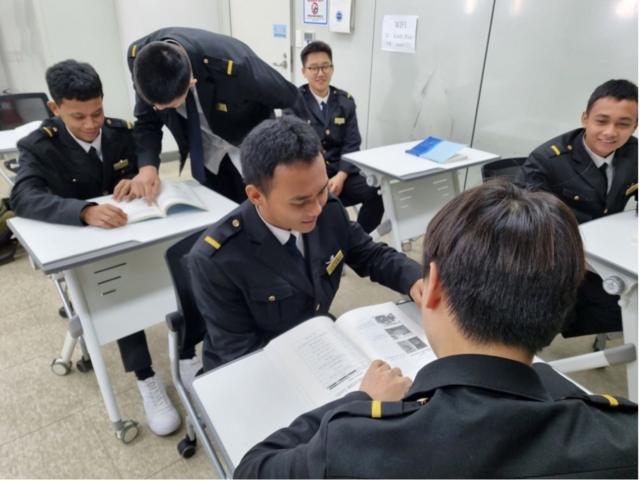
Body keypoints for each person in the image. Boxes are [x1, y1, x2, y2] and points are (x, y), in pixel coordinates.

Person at [233, 179, 638, 479]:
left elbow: (253, 470)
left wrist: (357, 400)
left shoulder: (355, 444)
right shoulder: (623, 436)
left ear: (433, 289)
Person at [9, 60, 201, 436]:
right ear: (55, 109)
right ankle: (146, 378)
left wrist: (138, 178)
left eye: (96, 111)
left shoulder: (118, 131)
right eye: (77, 116)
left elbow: (145, 160)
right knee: (118, 290)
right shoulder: (38, 145)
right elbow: (23, 197)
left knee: (185, 266)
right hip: (92, 253)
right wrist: (83, 211)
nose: (91, 123)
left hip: (137, 234)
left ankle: (189, 357)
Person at [187, 116, 423, 371]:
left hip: (317, 339)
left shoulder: (329, 210)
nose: (316, 209)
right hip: (263, 366)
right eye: (300, 202)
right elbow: (241, 357)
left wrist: (416, 279)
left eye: (321, 190)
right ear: (256, 195)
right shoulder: (218, 259)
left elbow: (371, 255)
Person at [517, 79, 638, 337]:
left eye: (623, 124)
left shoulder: (633, 153)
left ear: (635, 126)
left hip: (612, 251)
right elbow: (530, 223)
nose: (610, 132)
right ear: (585, 118)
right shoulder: (548, 160)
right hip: (563, 263)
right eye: (602, 121)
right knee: (629, 308)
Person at [126, 27, 300, 204]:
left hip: (247, 144)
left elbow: (291, 98)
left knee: (259, 207)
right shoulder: (141, 60)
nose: (160, 110)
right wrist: (147, 167)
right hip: (206, 151)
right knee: (219, 209)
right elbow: (147, 121)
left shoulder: (236, 66)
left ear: (191, 82)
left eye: (171, 106)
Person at [286, 41, 384, 233]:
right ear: (304, 71)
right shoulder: (294, 101)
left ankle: (354, 240)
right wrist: (320, 179)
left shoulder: (344, 101)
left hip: (342, 173)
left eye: (325, 66)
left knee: (377, 192)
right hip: (309, 174)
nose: (320, 73)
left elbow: (352, 143)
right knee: (318, 205)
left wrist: (341, 175)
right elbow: (293, 146)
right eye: (313, 68)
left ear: (332, 69)